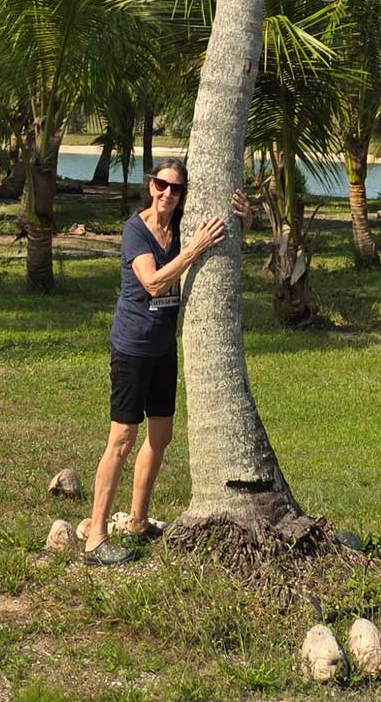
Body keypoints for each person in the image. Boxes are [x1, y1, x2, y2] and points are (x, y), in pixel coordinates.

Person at [80, 158, 245, 562]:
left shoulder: (181, 225)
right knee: (121, 440)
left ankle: (137, 520)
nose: (168, 194)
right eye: (161, 185)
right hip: (132, 348)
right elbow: (153, 282)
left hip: (162, 350)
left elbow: (217, 240)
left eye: (176, 188)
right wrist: (193, 249)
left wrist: (245, 219)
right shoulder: (136, 230)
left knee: (161, 436)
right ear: (150, 185)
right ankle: (95, 537)